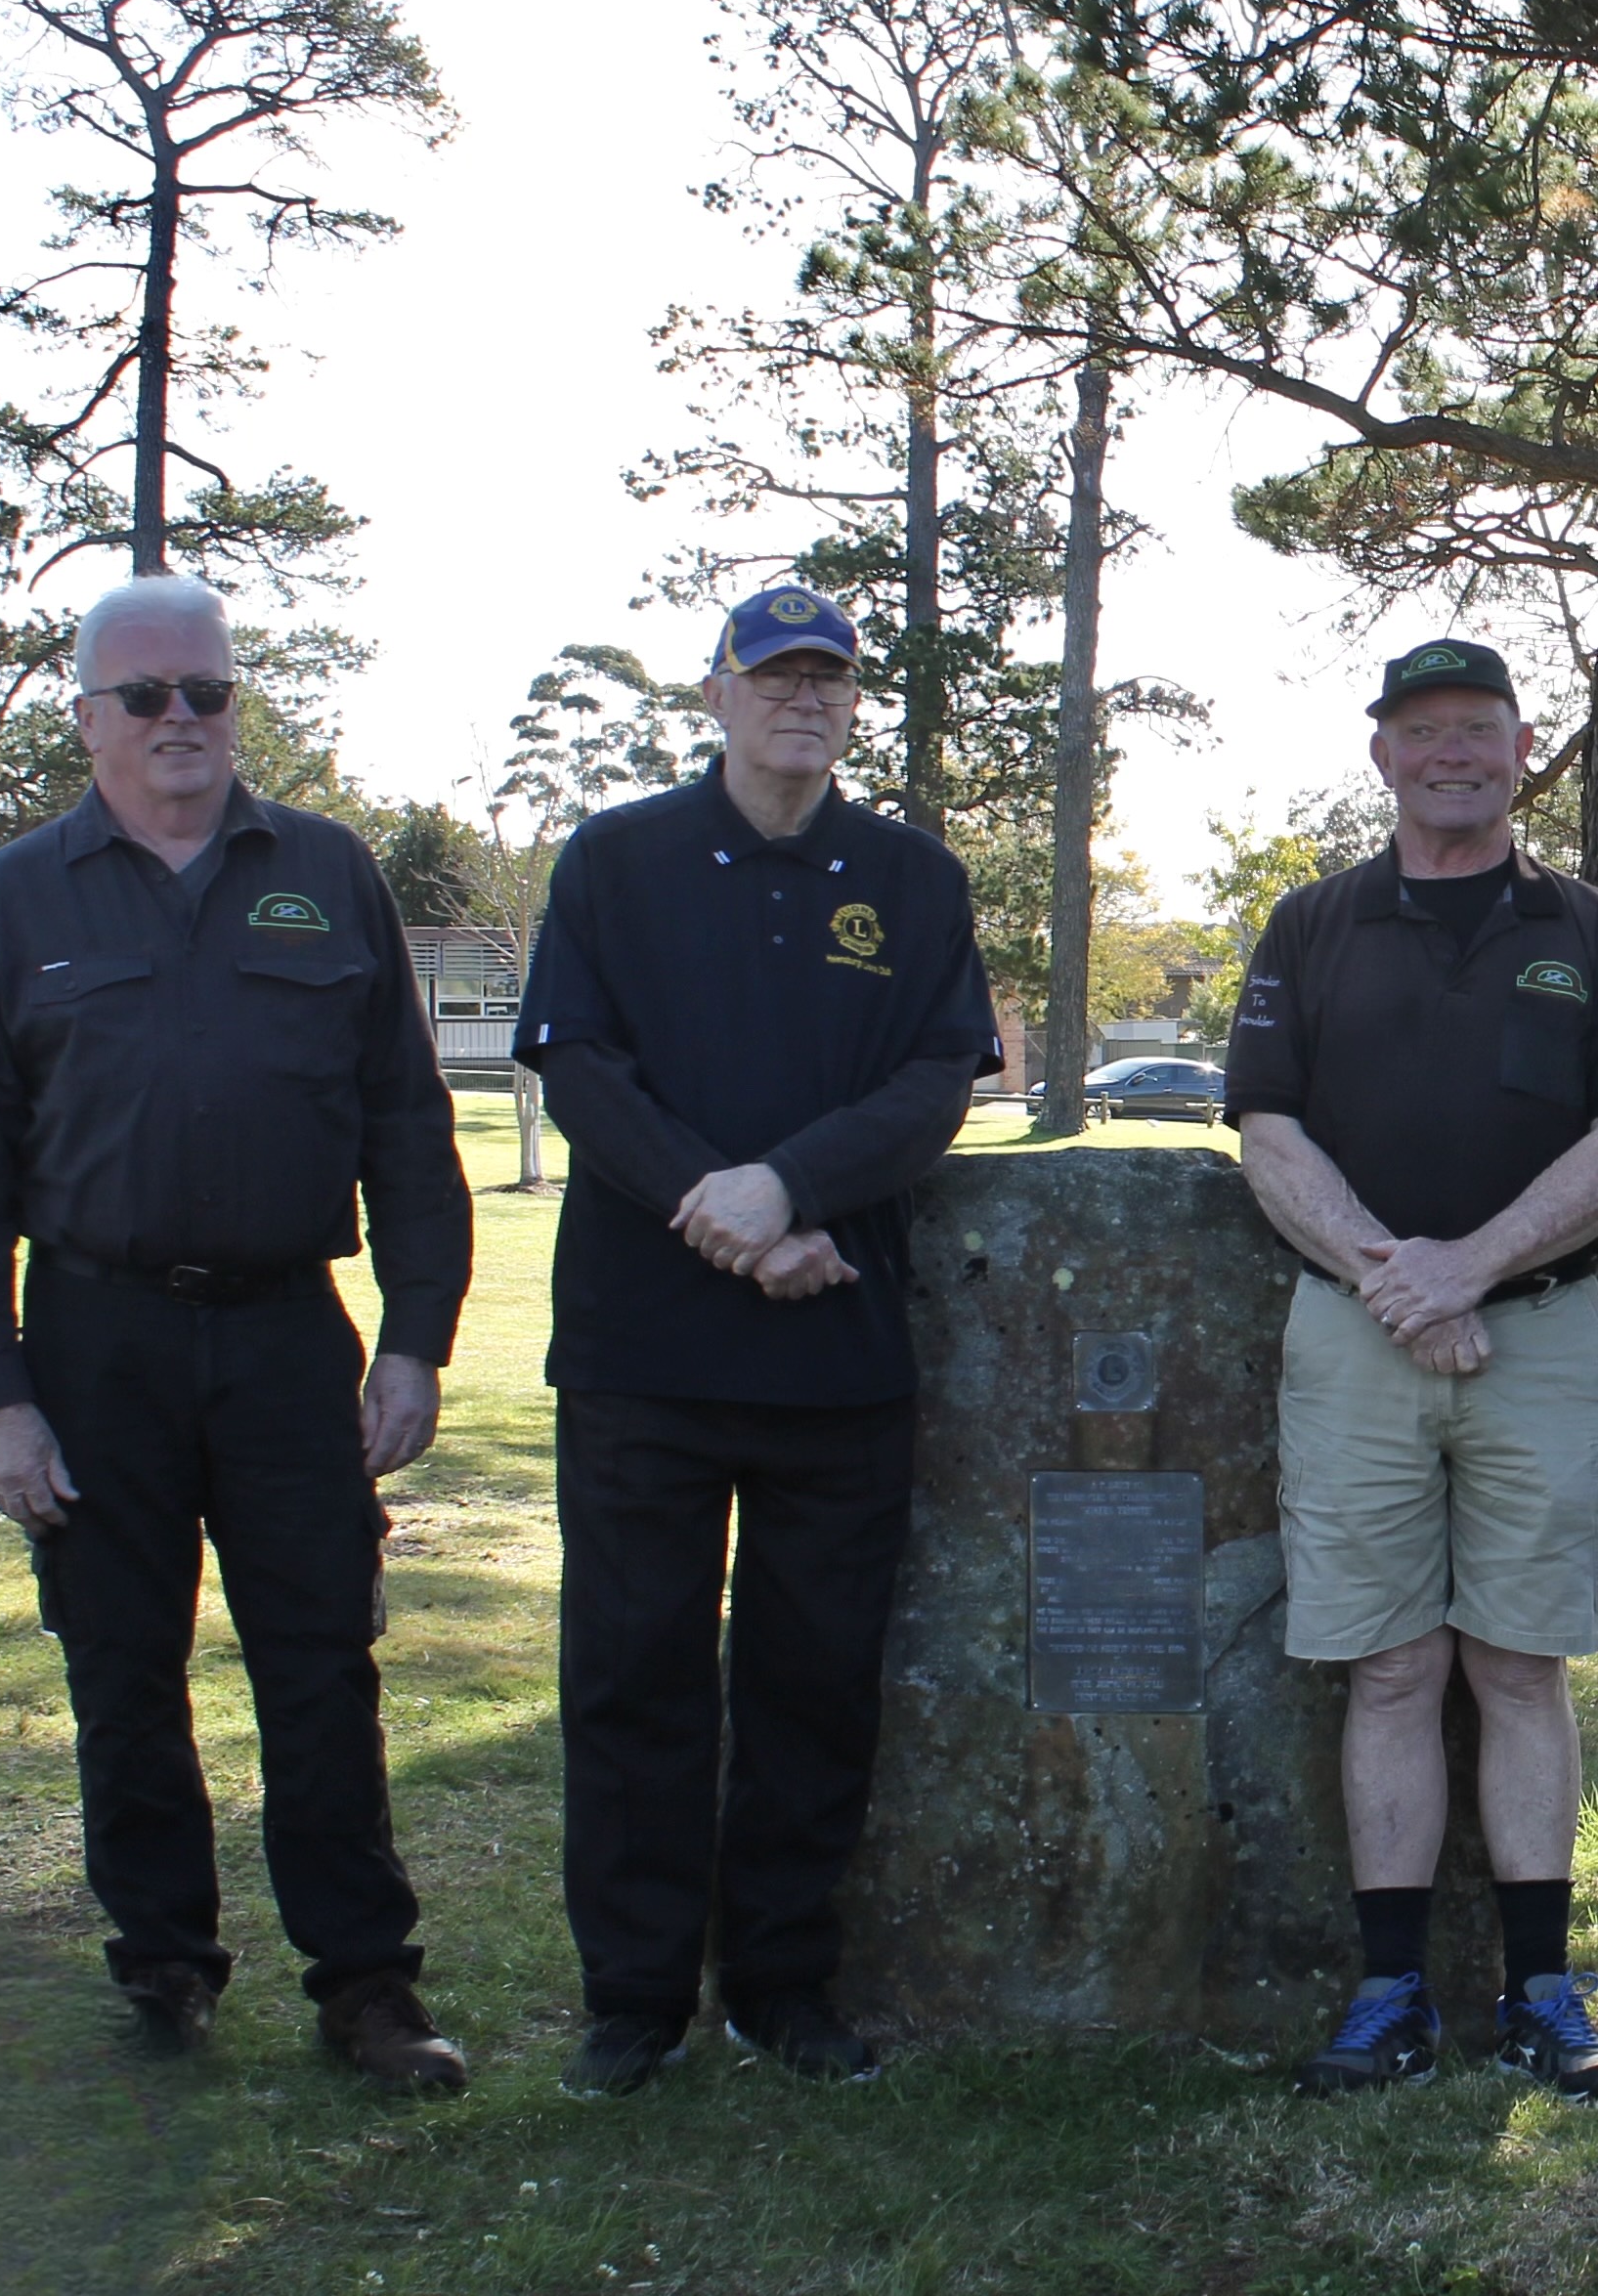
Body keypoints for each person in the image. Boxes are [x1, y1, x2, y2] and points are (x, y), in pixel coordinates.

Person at [0, 576, 474, 2087]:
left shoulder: (330, 874)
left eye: (206, 694)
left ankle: (366, 1987)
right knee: (123, 1666)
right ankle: (162, 1964)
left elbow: (410, 1129)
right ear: (88, 717)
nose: (179, 723)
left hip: (292, 1339)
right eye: (145, 697)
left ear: (236, 707)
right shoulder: (21, 896)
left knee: (321, 1663)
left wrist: (416, 1333)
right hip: (95, 1341)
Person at [514, 583, 999, 2097]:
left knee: (813, 1684)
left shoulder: (913, 880)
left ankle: (782, 1988)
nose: (803, 698)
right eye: (772, 675)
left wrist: (792, 1187)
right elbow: (577, 1065)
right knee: (635, 1674)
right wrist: (719, 1208)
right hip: (641, 1349)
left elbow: (938, 1079)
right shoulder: (617, 858)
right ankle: (636, 2000)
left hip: (831, 1353)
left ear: (855, 705)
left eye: (828, 680)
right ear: (714, 696)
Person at [1225, 636, 1598, 2105]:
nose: (1452, 754)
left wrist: (1467, 1266)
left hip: (1537, 1336)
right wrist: (1394, 1277)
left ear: (1520, 746)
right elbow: (1269, 1134)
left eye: (1479, 729)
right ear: (1382, 756)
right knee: (1392, 1664)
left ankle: (1544, 1992)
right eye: (1423, 732)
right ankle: (1388, 1998)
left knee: (1519, 1660)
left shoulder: (1594, 927)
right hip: (1355, 1335)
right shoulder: (1311, 925)